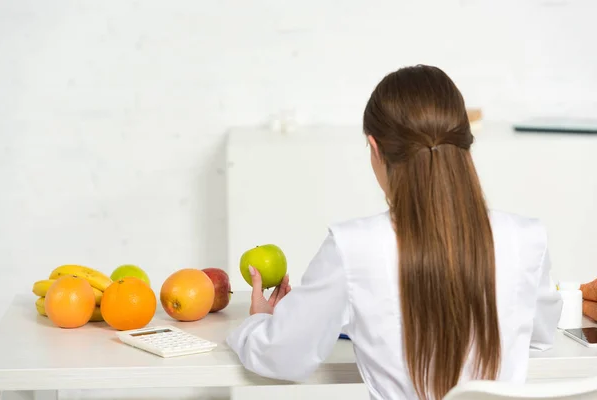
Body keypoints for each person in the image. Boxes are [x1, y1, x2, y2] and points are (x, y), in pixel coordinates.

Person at [226, 65, 563, 400]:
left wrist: (261, 322)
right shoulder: (526, 237)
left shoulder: (352, 247)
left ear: (374, 148)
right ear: (466, 144)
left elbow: (282, 356)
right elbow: (540, 334)